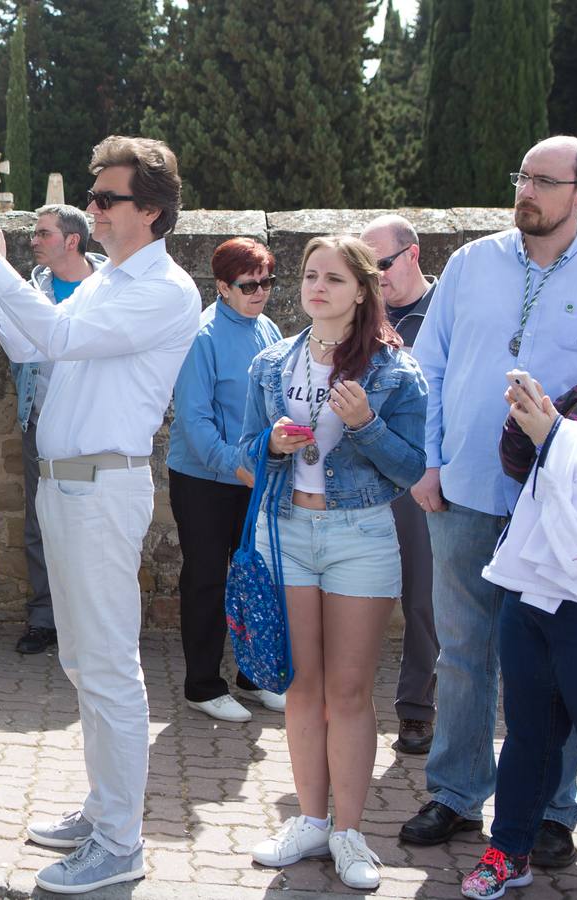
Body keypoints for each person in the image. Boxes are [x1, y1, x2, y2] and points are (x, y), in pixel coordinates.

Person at [0, 135, 199, 894]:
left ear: (152, 212)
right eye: (92, 196)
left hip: (100, 488)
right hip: (68, 486)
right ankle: (103, 811)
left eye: (106, 199)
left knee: (106, 668)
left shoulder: (161, 288)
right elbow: (37, 341)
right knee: (81, 661)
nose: (92, 208)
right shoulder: (109, 278)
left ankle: (120, 842)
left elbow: (55, 333)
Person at [401, 136, 577, 866]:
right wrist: (427, 464)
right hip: (462, 493)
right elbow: (429, 365)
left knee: (565, 664)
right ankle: (455, 794)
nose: (526, 192)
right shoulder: (469, 262)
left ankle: (552, 811)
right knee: (460, 652)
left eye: (544, 182)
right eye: (521, 176)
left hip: (560, 510)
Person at [239, 235, 427, 891]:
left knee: (348, 692)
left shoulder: (394, 372)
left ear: (361, 291)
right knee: (300, 687)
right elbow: (244, 450)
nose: (317, 288)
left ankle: (348, 834)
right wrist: (271, 442)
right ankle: (310, 821)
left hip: (357, 535)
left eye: (334, 279)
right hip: (285, 534)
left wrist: (368, 423)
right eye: (311, 276)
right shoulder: (269, 364)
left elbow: (410, 468)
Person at [458, 289, 577, 900]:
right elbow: (520, 465)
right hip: (537, 594)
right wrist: (528, 421)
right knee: (527, 732)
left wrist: (555, 438)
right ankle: (509, 849)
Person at [166, 237, 285, 723]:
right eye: (249, 284)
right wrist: (237, 466)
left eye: (268, 282)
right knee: (207, 579)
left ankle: (253, 676)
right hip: (204, 479)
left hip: (251, 476)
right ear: (222, 287)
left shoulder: (268, 328)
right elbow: (194, 423)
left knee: (256, 578)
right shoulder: (203, 337)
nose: (260, 292)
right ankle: (202, 684)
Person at [4, 204, 107, 656]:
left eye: (43, 233)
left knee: (97, 523)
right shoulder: (32, 289)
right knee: (40, 520)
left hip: (97, 428)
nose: (33, 240)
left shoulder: (112, 286)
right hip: (41, 424)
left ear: (72, 241)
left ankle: (94, 623)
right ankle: (45, 617)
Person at [358, 214, 439, 755]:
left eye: (381, 265)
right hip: (365, 472)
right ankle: (345, 707)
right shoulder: (363, 318)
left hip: (422, 473)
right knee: (355, 593)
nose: (375, 277)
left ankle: (417, 710)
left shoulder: (445, 314)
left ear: (412, 255)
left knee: (423, 599)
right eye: (366, 268)